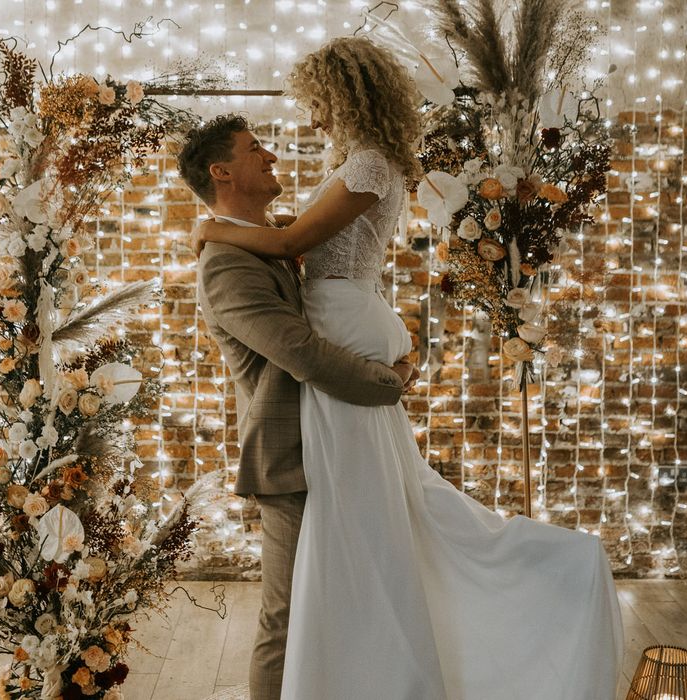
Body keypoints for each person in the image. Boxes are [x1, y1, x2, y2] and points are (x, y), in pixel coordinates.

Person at [193, 36, 624, 700]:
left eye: (316, 101)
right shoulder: (363, 163)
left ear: (340, 94)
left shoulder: (366, 166)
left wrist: (206, 228)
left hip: (344, 329)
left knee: (371, 524)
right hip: (343, 335)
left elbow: (288, 244)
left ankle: (401, 652)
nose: (310, 119)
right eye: (257, 148)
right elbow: (289, 264)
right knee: (377, 522)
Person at [178, 113, 419, 700]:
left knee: (345, 603)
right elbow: (301, 353)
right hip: (292, 459)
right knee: (286, 617)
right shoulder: (227, 264)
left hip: (335, 442)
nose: (272, 157)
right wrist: (390, 381)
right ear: (222, 171)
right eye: (255, 148)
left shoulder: (273, 243)